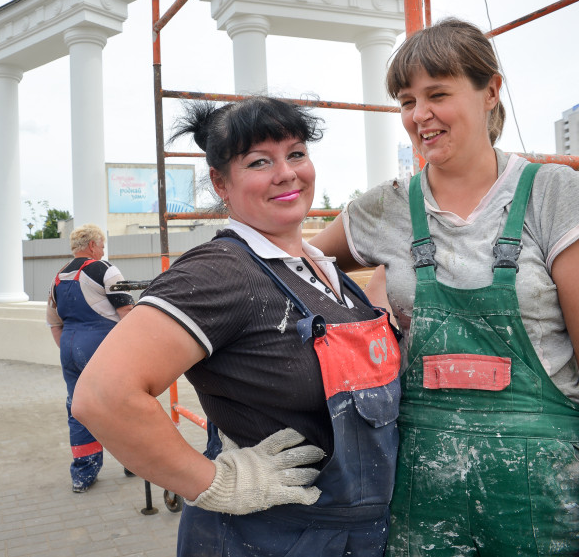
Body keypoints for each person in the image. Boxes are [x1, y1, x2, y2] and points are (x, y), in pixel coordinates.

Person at [311, 18, 579, 556]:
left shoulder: (553, 197)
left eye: (437, 94)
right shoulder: (385, 208)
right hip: (423, 506)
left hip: (544, 505)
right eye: (405, 101)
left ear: (490, 91)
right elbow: (292, 266)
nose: (420, 116)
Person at [72, 96, 402, 556]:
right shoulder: (221, 272)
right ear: (220, 182)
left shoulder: (320, 268)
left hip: (349, 536)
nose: (286, 172)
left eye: (296, 153)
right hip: (269, 538)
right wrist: (220, 484)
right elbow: (102, 397)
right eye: (259, 162)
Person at [46, 224, 134, 492]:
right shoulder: (105, 269)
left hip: (69, 349)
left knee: (79, 408)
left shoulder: (58, 277)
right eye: (103, 245)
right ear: (93, 245)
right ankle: (135, 462)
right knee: (122, 404)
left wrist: (70, 351)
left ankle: (83, 474)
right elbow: (128, 313)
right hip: (101, 347)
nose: (104, 250)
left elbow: (53, 322)